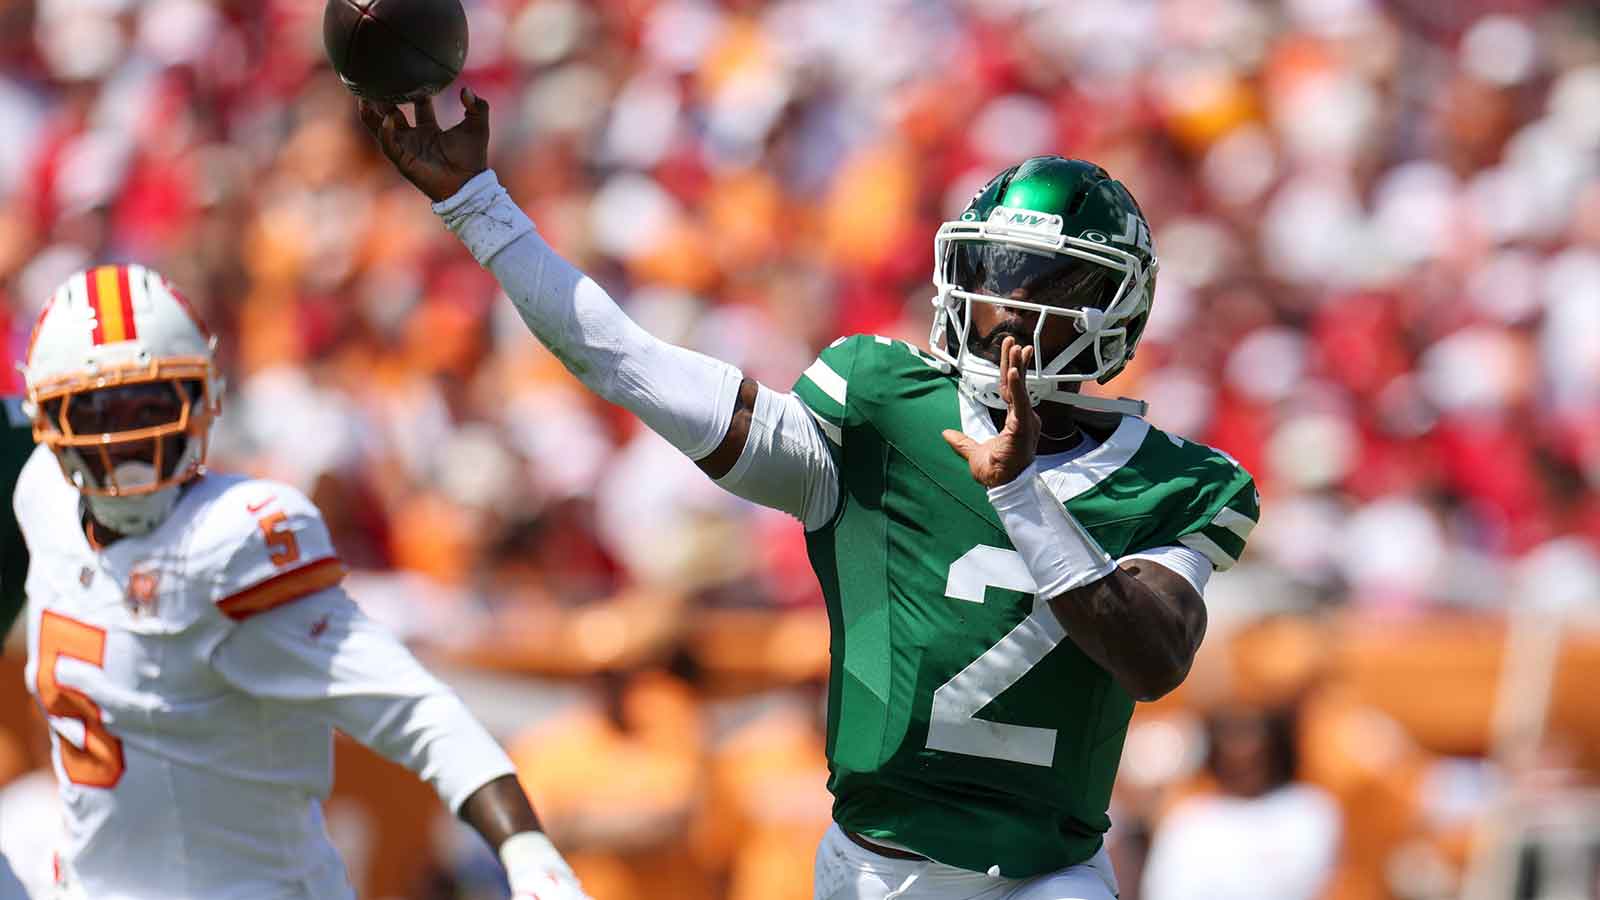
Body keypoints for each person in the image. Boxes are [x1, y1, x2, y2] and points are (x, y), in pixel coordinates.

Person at [362, 89, 1258, 900]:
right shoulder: (878, 411)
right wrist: (477, 205)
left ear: (1117, 312)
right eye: (991, 277)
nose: (1006, 310)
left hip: (1051, 877)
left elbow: (1152, 659)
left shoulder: (1178, 482)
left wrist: (1021, 492)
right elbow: (630, 363)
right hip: (878, 872)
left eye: (1045, 289)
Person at [15, 263, 590, 900]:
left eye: (153, 404)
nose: (129, 440)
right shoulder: (40, 491)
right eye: (95, 412)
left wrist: (527, 849)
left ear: (204, 400)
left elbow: (413, 707)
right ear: (46, 420)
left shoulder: (236, 540)